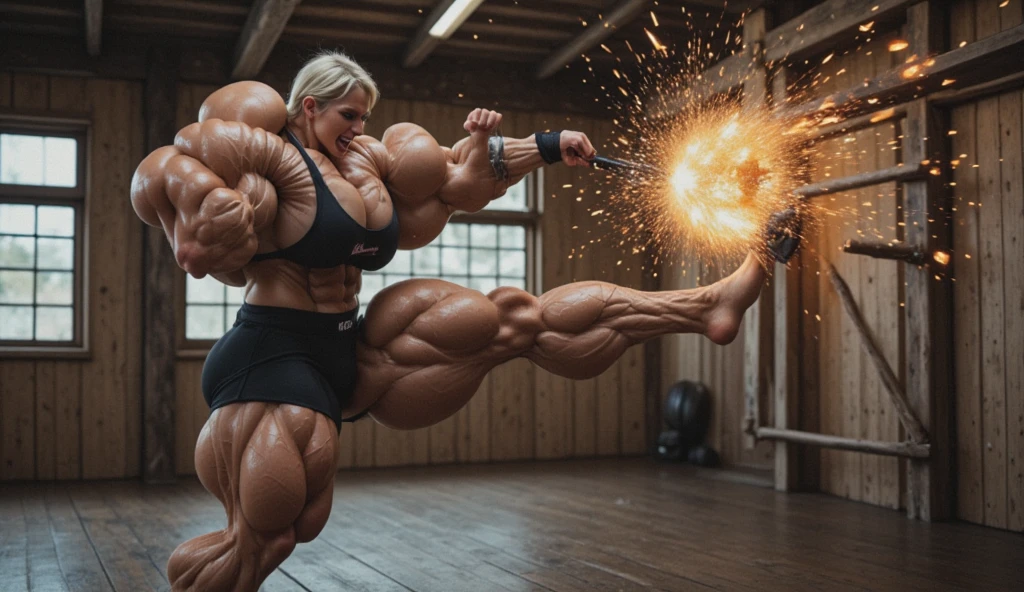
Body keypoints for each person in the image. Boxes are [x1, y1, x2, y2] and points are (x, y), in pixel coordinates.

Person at [131, 50, 790, 592]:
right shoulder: (268, 162)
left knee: (514, 323)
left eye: (365, 117)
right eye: (349, 116)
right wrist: (199, 214)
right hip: (271, 358)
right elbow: (169, 171)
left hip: (346, 352)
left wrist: (551, 145)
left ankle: (708, 306)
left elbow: (453, 174)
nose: (359, 128)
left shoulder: (366, 164)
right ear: (310, 107)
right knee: (280, 529)